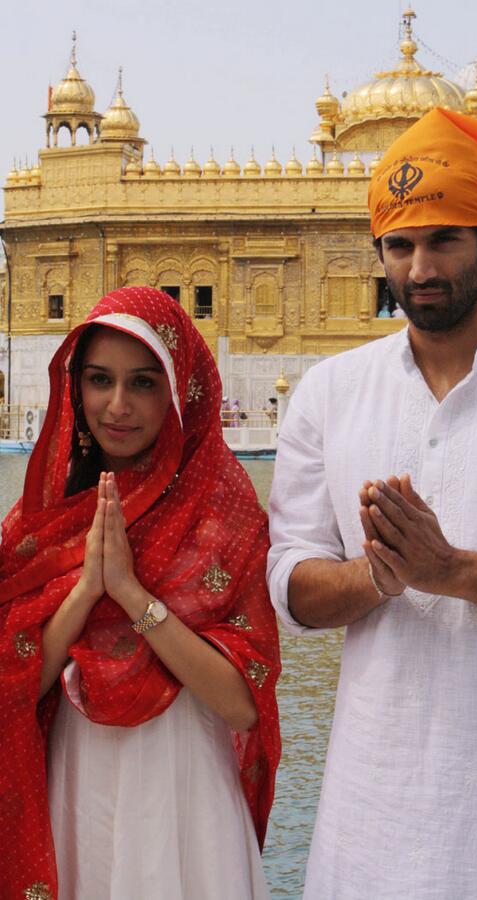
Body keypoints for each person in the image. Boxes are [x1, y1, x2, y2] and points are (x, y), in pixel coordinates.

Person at [267, 107, 477, 899]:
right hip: (374, 816)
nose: (421, 267)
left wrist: (447, 568)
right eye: (401, 245)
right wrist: (378, 578)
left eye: (445, 239)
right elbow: (293, 589)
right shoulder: (330, 392)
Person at [0, 286, 280, 900]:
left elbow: (241, 705)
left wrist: (133, 597)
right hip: (77, 781)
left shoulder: (221, 513)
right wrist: (85, 592)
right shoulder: (44, 518)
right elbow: (16, 681)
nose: (117, 406)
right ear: (75, 388)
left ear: (181, 392)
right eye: (100, 380)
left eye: (144, 383)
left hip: (183, 788)